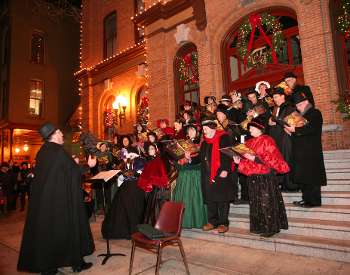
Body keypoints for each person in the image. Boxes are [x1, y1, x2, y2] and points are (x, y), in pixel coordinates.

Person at [18, 122, 96, 275]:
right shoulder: (59, 151)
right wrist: (88, 165)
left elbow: (57, 172)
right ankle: (76, 262)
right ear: (53, 136)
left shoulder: (42, 152)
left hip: (46, 202)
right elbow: (73, 172)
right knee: (70, 226)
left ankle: (49, 266)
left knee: (49, 231)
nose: (62, 135)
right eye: (60, 133)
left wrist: (71, 164)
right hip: (62, 200)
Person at [233, 117, 289, 237]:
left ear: (260, 129)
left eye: (252, 128)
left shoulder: (267, 140)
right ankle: (259, 227)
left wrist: (254, 158)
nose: (250, 130)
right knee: (255, 203)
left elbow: (273, 159)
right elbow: (247, 161)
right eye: (249, 128)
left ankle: (271, 228)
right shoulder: (249, 142)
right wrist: (239, 162)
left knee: (266, 202)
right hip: (253, 177)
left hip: (265, 176)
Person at [187, 117, 234, 234]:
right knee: (210, 198)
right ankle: (212, 221)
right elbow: (200, 158)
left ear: (213, 128)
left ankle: (223, 223)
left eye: (206, 128)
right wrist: (189, 159)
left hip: (220, 173)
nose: (204, 130)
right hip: (207, 174)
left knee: (222, 199)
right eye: (203, 128)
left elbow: (228, 154)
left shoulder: (224, 137)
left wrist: (225, 169)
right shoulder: (205, 143)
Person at [284, 93, 327, 207]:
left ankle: (314, 201)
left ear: (306, 102)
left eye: (299, 105)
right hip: (300, 151)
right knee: (303, 176)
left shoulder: (315, 113)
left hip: (311, 150)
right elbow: (298, 132)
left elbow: (312, 128)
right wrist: (291, 131)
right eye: (297, 106)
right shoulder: (299, 115)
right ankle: (306, 198)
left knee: (312, 176)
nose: (298, 108)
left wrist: (296, 129)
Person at [172, 124, 208, 229]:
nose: (191, 132)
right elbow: (177, 158)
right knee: (184, 198)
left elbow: (202, 159)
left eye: (193, 130)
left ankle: (197, 220)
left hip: (195, 174)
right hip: (184, 174)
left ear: (197, 132)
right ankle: (182, 221)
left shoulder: (201, 143)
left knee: (196, 198)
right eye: (189, 130)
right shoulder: (181, 143)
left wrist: (190, 158)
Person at [268, 88, 298, 191]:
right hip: (276, 138)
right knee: (280, 160)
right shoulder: (275, 109)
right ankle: (283, 183)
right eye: (273, 97)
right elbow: (272, 122)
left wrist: (277, 121)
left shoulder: (290, 107)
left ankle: (291, 184)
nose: (274, 99)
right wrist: (270, 122)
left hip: (285, 138)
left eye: (276, 97)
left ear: (282, 96)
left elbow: (292, 122)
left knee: (287, 159)